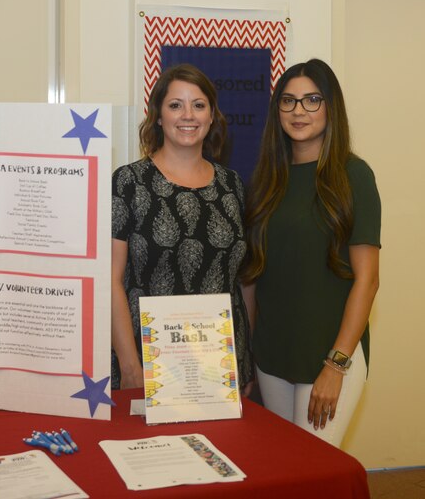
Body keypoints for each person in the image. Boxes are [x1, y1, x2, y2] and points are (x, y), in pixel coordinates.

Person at [242, 58, 381, 447]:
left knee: (315, 467)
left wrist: (336, 365)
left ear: (330, 106)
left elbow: (368, 280)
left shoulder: (353, 175)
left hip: (330, 355)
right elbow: (253, 276)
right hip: (272, 356)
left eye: (312, 100)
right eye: (288, 101)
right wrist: (249, 352)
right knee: (287, 466)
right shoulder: (266, 180)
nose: (298, 111)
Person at [111, 63, 253, 391]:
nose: (188, 115)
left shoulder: (232, 185)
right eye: (175, 105)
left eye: (198, 105)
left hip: (219, 367)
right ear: (159, 117)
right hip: (148, 364)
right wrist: (130, 366)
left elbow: (242, 281)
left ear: (212, 116)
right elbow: (111, 281)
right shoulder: (129, 182)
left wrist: (244, 361)